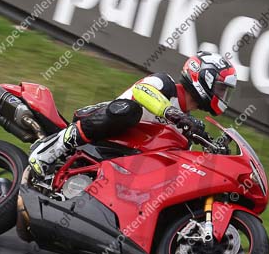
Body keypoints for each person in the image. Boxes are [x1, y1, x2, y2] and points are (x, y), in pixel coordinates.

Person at [28, 51, 237, 175]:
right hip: (101, 124)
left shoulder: (186, 125)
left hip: (123, 158)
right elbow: (141, 91)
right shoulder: (163, 83)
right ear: (203, 78)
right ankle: (52, 148)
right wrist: (171, 113)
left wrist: (212, 152)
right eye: (220, 89)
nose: (222, 95)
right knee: (130, 111)